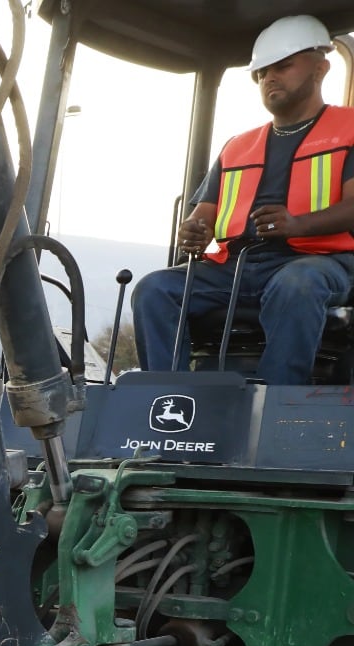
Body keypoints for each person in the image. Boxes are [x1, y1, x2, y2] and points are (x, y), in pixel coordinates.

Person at [133, 15, 354, 385]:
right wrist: (194, 231)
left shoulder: (347, 129)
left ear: (320, 69)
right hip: (236, 268)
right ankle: (168, 403)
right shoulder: (237, 146)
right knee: (155, 290)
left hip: (321, 262)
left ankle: (274, 408)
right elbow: (203, 214)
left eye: (283, 67)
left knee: (297, 285)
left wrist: (299, 225)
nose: (270, 78)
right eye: (261, 72)